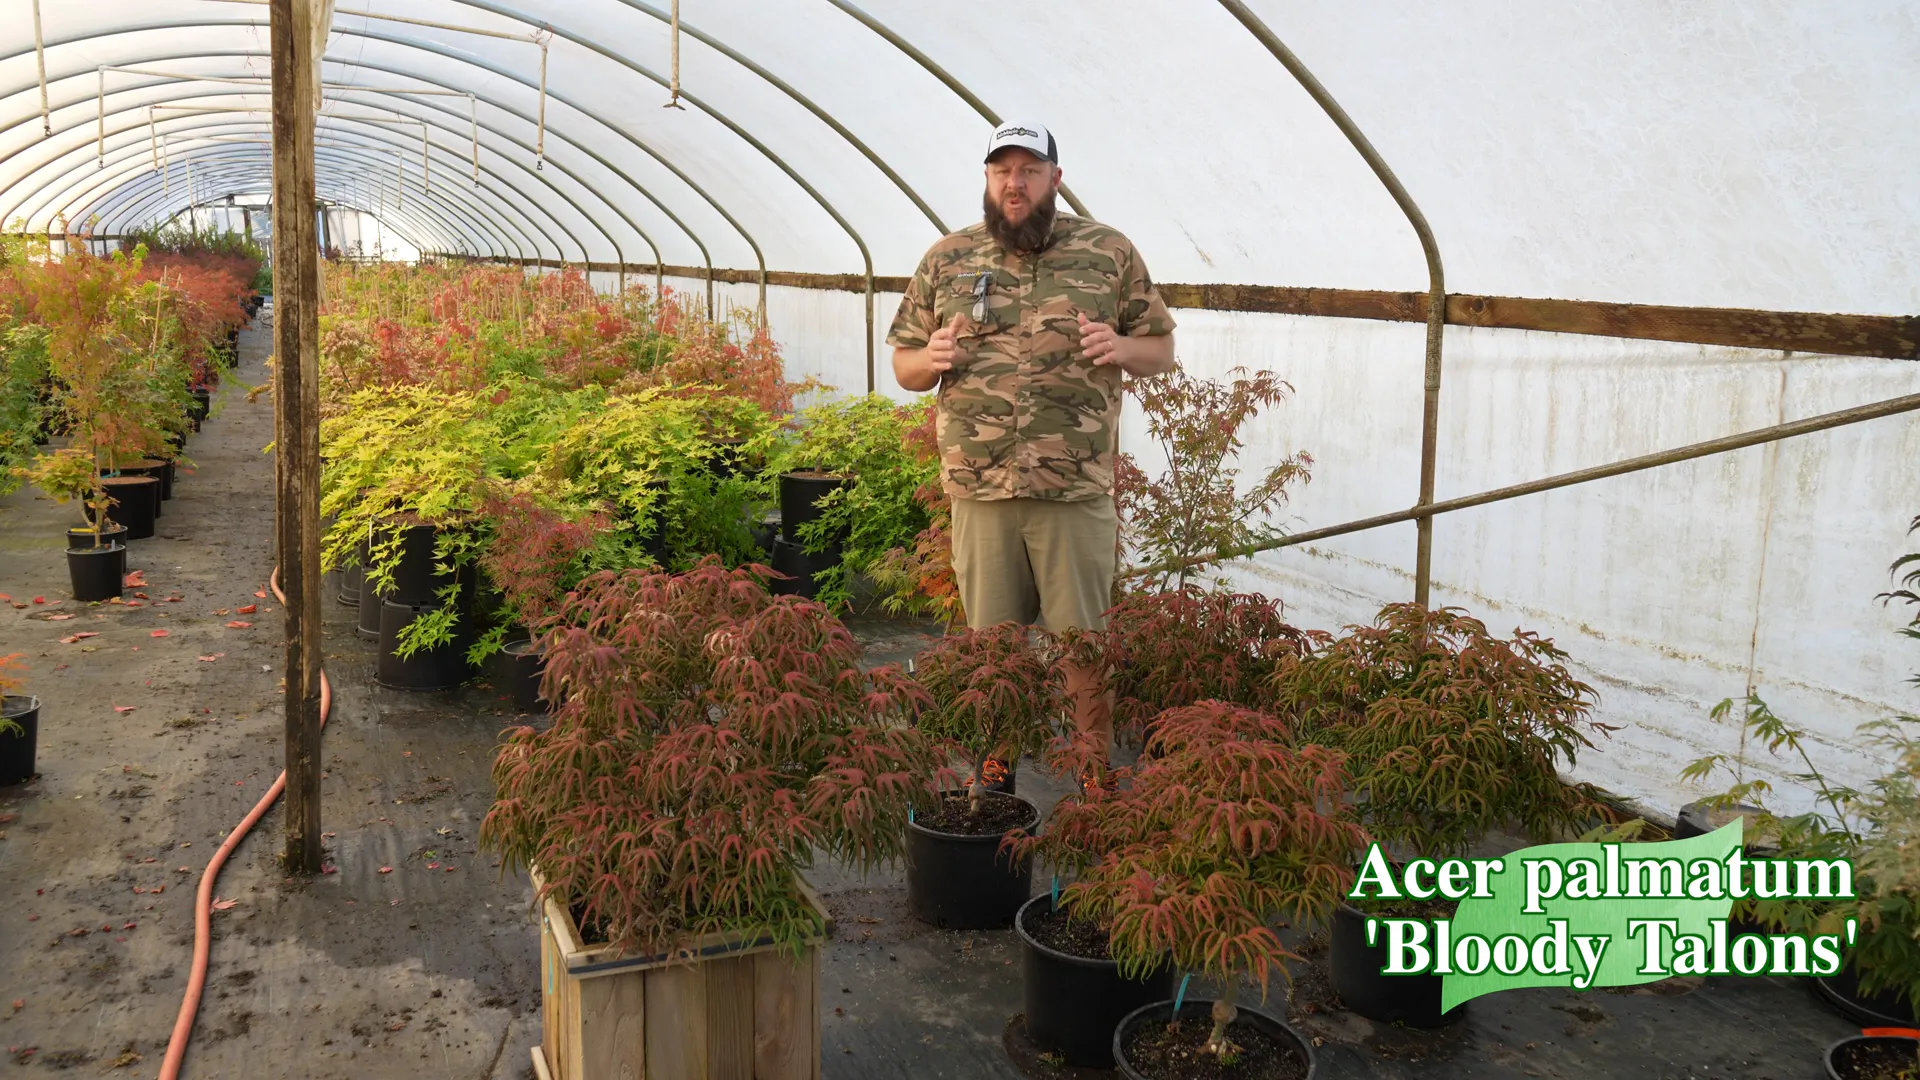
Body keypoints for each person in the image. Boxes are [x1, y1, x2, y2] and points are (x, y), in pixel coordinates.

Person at [887, 120, 1177, 763]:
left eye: (1029, 170)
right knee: (991, 656)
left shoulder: (1109, 252)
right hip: (982, 491)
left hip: (1073, 491)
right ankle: (993, 775)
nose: (1014, 184)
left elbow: (1160, 350)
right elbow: (905, 367)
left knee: (1083, 649)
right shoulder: (948, 257)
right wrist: (931, 357)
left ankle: (1091, 775)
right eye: (1001, 171)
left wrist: (1121, 346)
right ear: (987, 178)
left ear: (1055, 178)